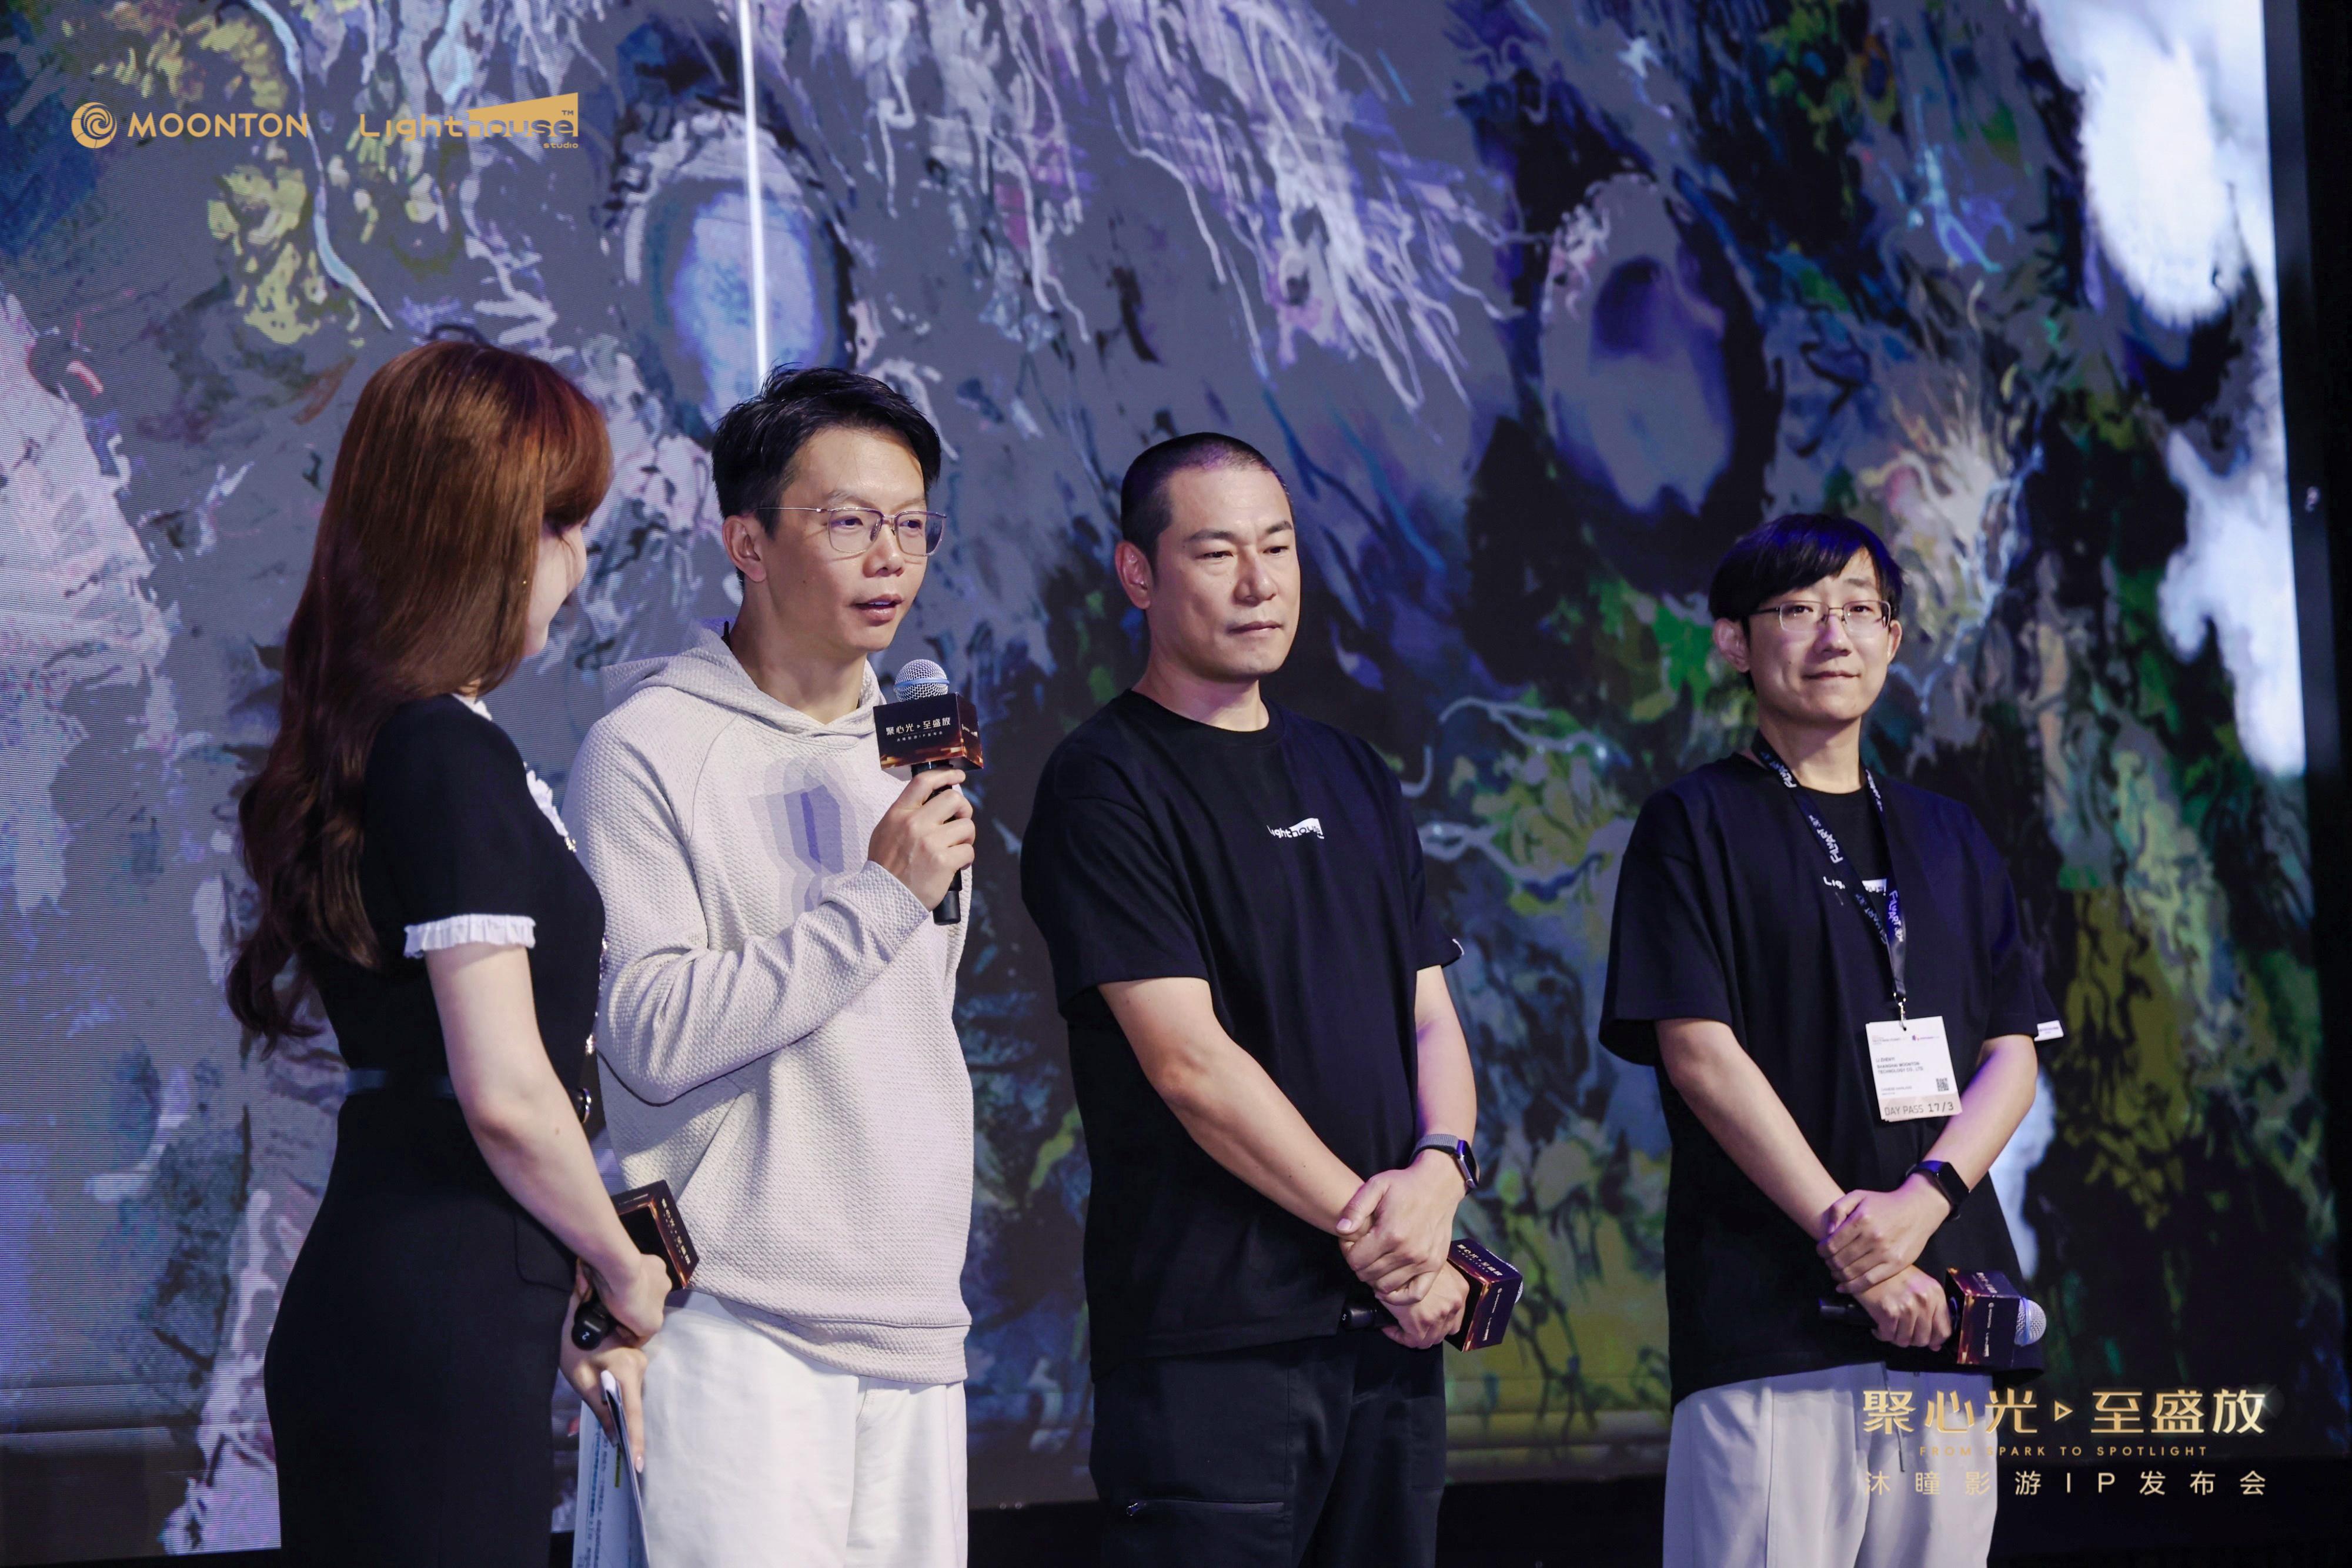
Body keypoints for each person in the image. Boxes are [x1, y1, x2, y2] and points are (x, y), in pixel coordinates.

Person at [226, 338, 674, 1566]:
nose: (578, 561)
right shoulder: (442, 751)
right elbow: (508, 1094)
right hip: (438, 1316)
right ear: (481, 537)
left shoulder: (409, 742)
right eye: (560, 523)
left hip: (419, 1301)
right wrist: (622, 1268)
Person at [1020, 433, 1480, 1568]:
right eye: (1218, 552)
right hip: (1218, 1346)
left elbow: (1429, 1014)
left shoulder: (1352, 771)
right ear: (1139, 575)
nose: (1259, 582)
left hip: (1388, 1332)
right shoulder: (1105, 780)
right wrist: (1386, 1239)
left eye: (1277, 548)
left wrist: (1443, 1172)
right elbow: (1191, 1065)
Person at [566, 366, 977, 1567]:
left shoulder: (914, 755)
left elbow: (914, 1023)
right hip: (733, 1315)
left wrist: (897, 888)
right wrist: (879, 897)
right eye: (848, 521)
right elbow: (647, 1032)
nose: (889, 557)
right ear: (746, 542)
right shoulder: (646, 750)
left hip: (913, 1310)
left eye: (911, 525)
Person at [1599, 513, 2061, 1568]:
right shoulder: (1693, 822)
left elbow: (2013, 1050)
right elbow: (1699, 1052)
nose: (1833, 635)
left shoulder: (1950, 834)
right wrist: (1855, 1248)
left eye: (1860, 610)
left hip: (1947, 1310)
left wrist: (1923, 1206)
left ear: (1893, 638)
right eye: (1799, 610)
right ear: (1735, 641)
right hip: (1773, 1326)